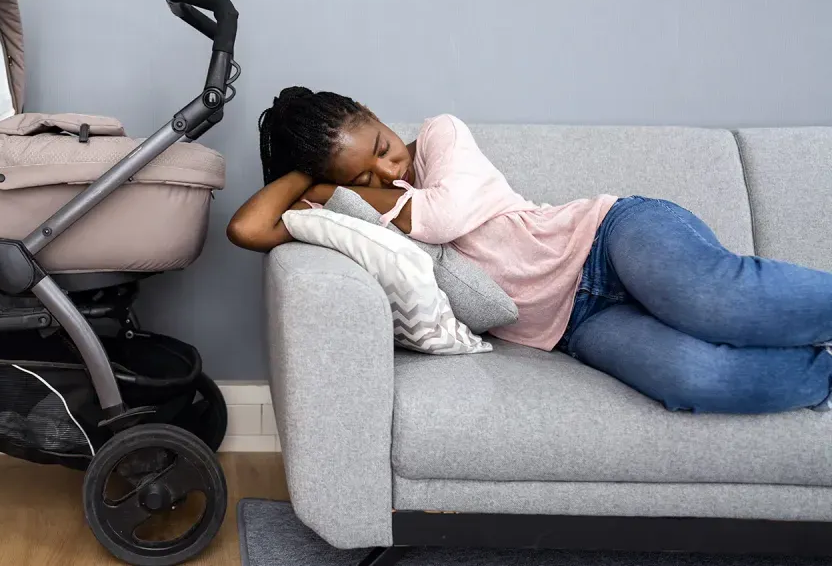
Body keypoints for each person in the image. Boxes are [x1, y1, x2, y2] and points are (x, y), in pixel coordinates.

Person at [227, 86, 832, 415]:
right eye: (366, 175)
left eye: (383, 146)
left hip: (608, 238)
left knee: (713, 302)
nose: (389, 169)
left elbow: (444, 216)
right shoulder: (349, 206)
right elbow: (247, 230)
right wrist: (311, 179)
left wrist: (337, 188)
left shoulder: (440, 136)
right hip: (576, 325)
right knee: (692, 379)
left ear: (375, 114)